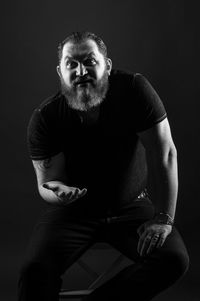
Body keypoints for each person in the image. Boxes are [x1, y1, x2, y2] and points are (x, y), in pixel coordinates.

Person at [18, 31, 189, 301]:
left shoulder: (134, 89)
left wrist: (163, 219)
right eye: (71, 64)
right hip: (73, 214)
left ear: (107, 65)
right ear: (60, 71)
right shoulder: (46, 117)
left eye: (89, 61)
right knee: (34, 273)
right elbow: (47, 182)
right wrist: (59, 192)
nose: (81, 70)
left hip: (131, 208)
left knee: (174, 260)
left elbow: (165, 153)